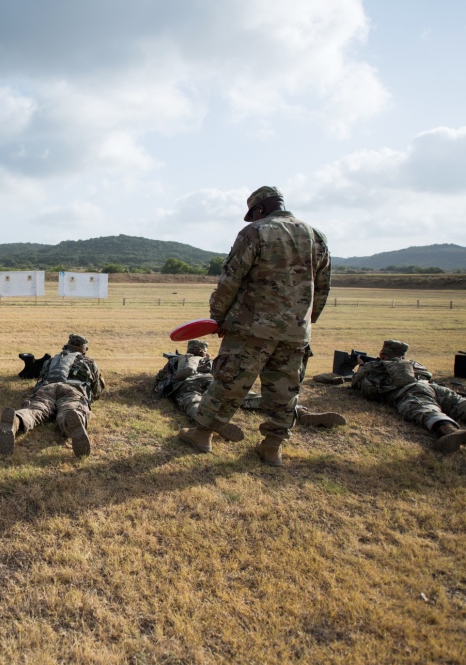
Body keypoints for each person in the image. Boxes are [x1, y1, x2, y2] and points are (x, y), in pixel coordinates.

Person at [179, 186, 331, 466]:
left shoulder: (255, 232)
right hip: (296, 332)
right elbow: (322, 286)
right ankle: (272, 447)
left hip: (251, 328)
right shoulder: (315, 235)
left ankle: (202, 435)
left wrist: (217, 317)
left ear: (260, 209)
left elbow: (230, 279)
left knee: (229, 382)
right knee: (285, 391)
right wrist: (307, 321)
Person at [156, 339, 345, 431]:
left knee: (193, 402)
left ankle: (210, 425)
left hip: (187, 385)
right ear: (205, 352)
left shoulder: (180, 359)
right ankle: (301, 412)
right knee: (250, 398)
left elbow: (164, 377)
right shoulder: (210, 360)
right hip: (213, 382)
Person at [0, 334, 105, 458]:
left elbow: (42, 376)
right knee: (71, 407)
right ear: (83, 349)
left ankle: (17, 419)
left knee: (36, 409)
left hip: (48, 387)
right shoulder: (89, 361)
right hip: (73, 389)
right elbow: (97, 392)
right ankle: (72, 419)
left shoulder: (52, 360)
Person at [351, 340, 466, 453]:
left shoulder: (374, 366)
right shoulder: (414, 364)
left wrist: (361, 365)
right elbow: (428, 375)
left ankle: (449, 430)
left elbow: (355, 382)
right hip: (433, 387)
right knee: (459, 403)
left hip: (409, 392)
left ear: (382, 354)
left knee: (425, 410)